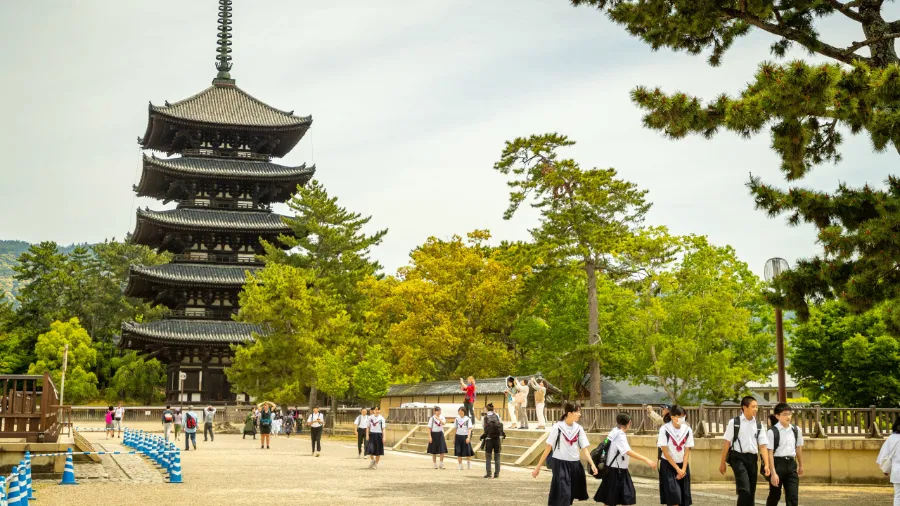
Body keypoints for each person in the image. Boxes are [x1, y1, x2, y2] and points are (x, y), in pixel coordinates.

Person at [532, 402, 598, 505]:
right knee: (564, 493)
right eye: (577, 411)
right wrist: (538, 467)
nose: (579, 414)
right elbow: (548, 448)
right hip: (560, 464)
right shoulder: (557, 427)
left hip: (575, 465)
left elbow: (584, 449)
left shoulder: (578, 429)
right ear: (569, 413)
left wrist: (592, 464)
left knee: (570, 494)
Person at [594, 412, 658, 506]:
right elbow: (627, 451)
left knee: (614, 499)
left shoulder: (614, 431)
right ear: (629, 422)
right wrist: (646, 459)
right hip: (617, 471)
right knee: (624, 498)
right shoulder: (620, 435)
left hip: (614, 469)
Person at [719, 396, 771, 506]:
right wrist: (722, 462)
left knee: (751, 492)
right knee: (744, 490)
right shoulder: (734, 422)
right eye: (753, 406)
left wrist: (766, 464)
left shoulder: (759, 425)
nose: (756, 409)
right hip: (738, 458)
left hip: (752, 459)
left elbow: (763, 446)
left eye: (757, 407)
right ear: (744, 407)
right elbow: (727, 443)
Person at [766, 402, 804, 506]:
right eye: (785, 414)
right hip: (777, 464)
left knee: (793, 496)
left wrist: (801, 465)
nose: (788, 416)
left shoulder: (796, 430)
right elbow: (770, 453)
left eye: (789, 414)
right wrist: (773, 473)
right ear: (777, 416)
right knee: (775, 495)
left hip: (791, 465)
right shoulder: (772, 432)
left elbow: (798, 448)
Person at [658, 404, 694, 506]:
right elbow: (665, 452)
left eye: (683, 416)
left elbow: (687, 452)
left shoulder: (687, 429)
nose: (682, 418)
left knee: (683, 499)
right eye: (679, 416)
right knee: (674, 498)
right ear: (673, 417)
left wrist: (683, 469)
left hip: (683, 466)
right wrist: (677, 469)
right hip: (668, 466)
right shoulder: (664, 429)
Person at [876, 417, 900, 506]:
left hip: (896, 471)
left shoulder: (891, 438)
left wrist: (885, 469)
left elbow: (884, 455)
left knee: (898, 496)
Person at [480, 402, 506, 478]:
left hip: (489, 439)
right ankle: (497, 473)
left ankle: (489, 473)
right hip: (497, 439)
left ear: (486, 409)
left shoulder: (484, 417)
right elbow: (501, 425)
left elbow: (483, 427)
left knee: (488, 457)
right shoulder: (497, 415)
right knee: (497, 457)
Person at [455, 406, 474, 470]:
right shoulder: (457, 419)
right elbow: (455, 429)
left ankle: (469, 463)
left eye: (461, 411)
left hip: (465, 436)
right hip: (458, 436)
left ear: (464, 411)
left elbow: (469, 429)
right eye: (459, 411)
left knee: (467, 451)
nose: (460, 412)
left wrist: (468, 437)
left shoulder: (468, 419)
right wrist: (454, 438)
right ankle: (460, 465)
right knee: (458, 451)